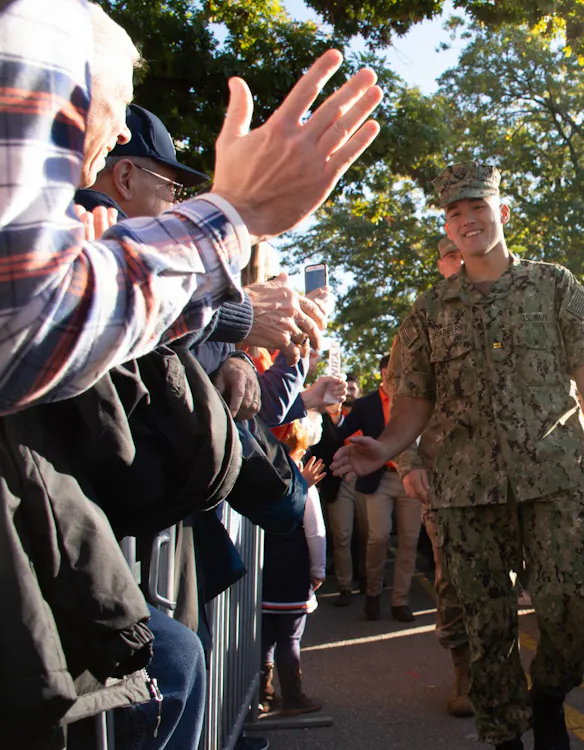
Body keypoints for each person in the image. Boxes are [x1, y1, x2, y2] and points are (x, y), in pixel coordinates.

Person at [333, 162, 584, 750]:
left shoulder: (555, 285)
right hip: (465, 489)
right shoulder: (427, 311)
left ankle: (547, 695)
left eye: (477, 208)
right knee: (484, 627)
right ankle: (504, 735)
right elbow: (414, 400)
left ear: (502, 211)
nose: (467, 221)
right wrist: (390, 449)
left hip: (556, 473)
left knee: (581, 596)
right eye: (454, 213)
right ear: (446, 228)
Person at [0, 0, 383, 415]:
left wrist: (235, 354)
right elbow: (32, 324)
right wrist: (236, 214)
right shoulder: (40, 17)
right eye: (172, 187)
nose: (124, 130)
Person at [391, 236, 475, 717]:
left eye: (465, 250)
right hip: (445, 475)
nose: (460, 259)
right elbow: (399, 402)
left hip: (511, 474)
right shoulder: (420, 320)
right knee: (456, 578)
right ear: (441, 261)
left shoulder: (509, 305)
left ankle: (499, 667)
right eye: (451, 251)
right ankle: (467, 671)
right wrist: (408, 463)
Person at [338, 355, 423, 623]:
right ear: (384, 374)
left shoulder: (416, 402)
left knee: (409, 540)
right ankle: (373, 592)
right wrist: (332, 413)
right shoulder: (365, 405)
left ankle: (400, 601)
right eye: (393, 374)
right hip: (379, 478)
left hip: (409, 477)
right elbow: (343, 430)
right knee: (379, 537)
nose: (398, 379)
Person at [260, 422, 327, 717]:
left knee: (265, 639)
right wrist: (319, 571)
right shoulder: (304, 487)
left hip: (264, 573)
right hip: (293, 570)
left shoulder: (257, 483)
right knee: (289, 638)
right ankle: (293, 697)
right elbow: (316, 533)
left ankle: (263, 694)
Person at [78, 104, 210, 218]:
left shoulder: (63, 222)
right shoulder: (124, 244)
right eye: (172, 189)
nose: (176, 203)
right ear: (125, 178)